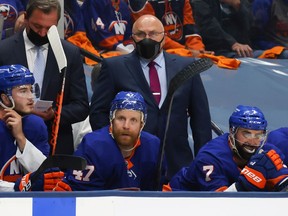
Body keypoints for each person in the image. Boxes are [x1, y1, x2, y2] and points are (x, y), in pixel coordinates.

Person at [89, 14, 212, 180]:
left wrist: (203, 161)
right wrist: (113, 150)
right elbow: (98, 113)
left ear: (164, 36)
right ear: (132, 38)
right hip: (129, 163)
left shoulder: (187, 67)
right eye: (140, 34)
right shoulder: (114, 67)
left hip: (178, 163)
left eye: (153, 33)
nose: (147, 38)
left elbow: (201, 119)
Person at [14, 91, 166, 191]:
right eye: (121, 118)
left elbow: (155, 192)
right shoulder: (93, 145)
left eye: (133, 120)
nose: (126, 126)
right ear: (111, 120)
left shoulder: (153, 146)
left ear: (142, 124)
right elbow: (83, 195)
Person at [0, 0, 89, 155]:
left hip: (57, 144)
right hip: (8, 141)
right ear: (26, 18)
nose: (42, 33)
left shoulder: (70, 54)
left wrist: (55, 114)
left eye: (49, 28)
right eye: (37, 26)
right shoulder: (4, 51)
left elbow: (81, 106)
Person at [163, 105, 288, 192]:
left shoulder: (269, 153)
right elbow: (219, 206)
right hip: (177, 200)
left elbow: (284, 189)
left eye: (258, 134)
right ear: (232, 132)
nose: (253, 141)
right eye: (246, 133)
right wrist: (244, 185)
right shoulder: (209, 158)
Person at [0, 64, 50, 191]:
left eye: (31, 90)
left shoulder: (34, 125)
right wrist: (18, 187)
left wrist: (21, 138)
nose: (31, 97)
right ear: (5, 98)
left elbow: (46, 174)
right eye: (23, 91)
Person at [127, 0, 214, 57]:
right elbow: (153, 36)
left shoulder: (184, 1)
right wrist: (188, 52)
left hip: (183, 52)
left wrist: (199, 51)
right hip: (154, 53)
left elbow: (191, 30)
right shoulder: (140, 2)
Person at [190, 0, 265, 58]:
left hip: (244, 49)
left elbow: (251, 24)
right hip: (217, 51)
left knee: (272, 56)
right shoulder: (199, 2)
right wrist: (232, 43)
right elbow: (207, 25)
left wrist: (237, 5)